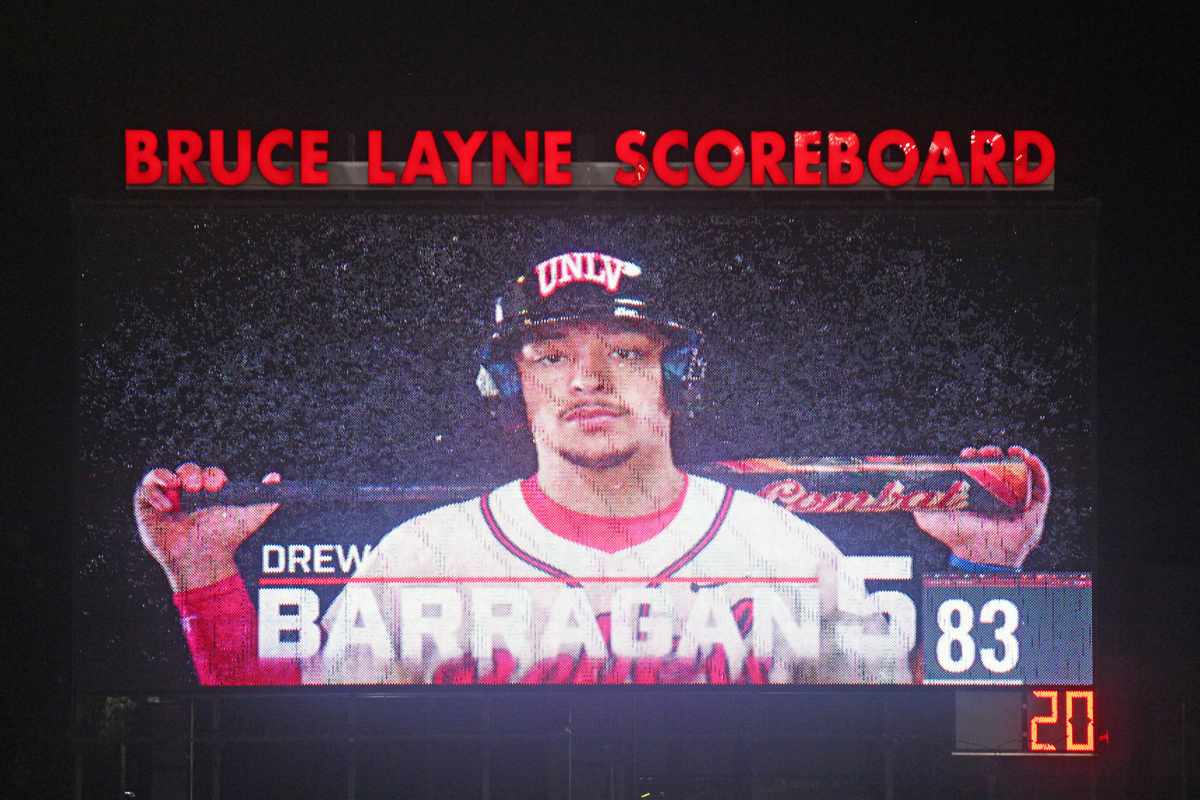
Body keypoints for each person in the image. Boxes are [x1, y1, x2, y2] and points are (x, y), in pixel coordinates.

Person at [135, 251, 1049, 685]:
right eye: (547, 355)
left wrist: (990, 575)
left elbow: (940, 755)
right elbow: (296, 768)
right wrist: (203, 578)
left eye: (626, 350)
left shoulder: (788, 553)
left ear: (674, 378)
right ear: (512, 386)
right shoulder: (426, 559)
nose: (587, 380)